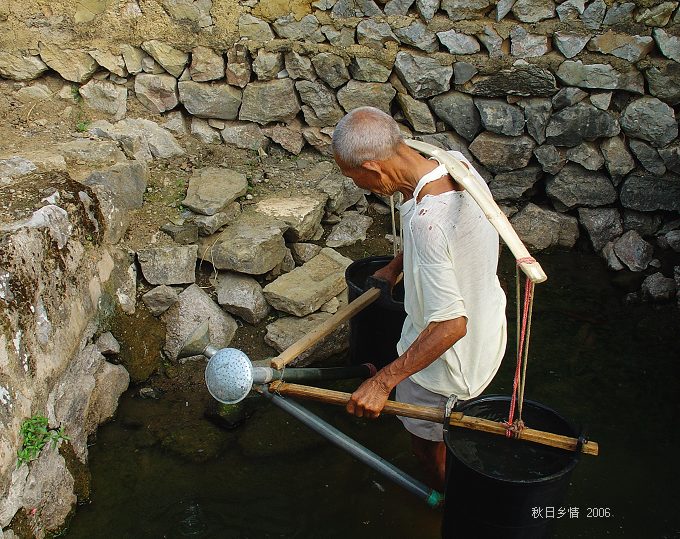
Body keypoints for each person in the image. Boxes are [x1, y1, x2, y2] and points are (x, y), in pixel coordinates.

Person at [332, 107, 507, 491]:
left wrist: (381, 383)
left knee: (427, 449)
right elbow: (444, 240)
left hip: (447, 370)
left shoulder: (426, 222)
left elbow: (451, 325)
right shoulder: (450, 162)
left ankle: (444, 500)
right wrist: (395, 267)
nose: (359, 185)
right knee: (454, 428)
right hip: (488, 331)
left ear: (375, 170)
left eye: (354, 176)